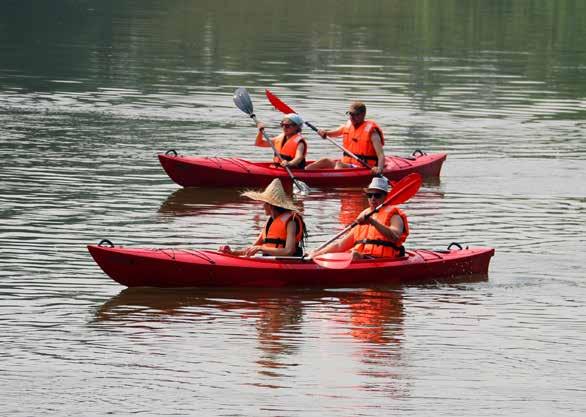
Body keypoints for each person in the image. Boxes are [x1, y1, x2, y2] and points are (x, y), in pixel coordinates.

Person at [310, 177, 408, 259]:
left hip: (382, 259)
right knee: (350, 254)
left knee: (354, 255)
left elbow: (395, 237)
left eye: (377, 195)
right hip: (361, 256)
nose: (373, 198)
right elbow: (340, 245)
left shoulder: (394, 216)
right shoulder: (364, 214)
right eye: (370, 195)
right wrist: (318, 253)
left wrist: (372, 222)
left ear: (385, 196)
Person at [219, 178, 307, 257]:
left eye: (264, 203)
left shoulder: (291, 222)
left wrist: (261, 248)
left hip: (288, 264)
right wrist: (232, 253)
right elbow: (253, 248)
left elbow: (289, 251)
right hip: (270, 261)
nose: (263, 206)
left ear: (271, 205)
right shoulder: (270, 221)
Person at [305, 101, 385, 175]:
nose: (351, 117)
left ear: (363, 115)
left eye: (354, 114)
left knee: (340, 164)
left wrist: (379, 169)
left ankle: (332, 183)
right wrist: (324, 133)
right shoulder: (347, 126)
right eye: (350, 114)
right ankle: (303, 173)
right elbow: (331, 134)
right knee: (324, 161)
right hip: (347, 164)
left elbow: (381, 155)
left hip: (362, 167)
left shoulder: (372, 133)